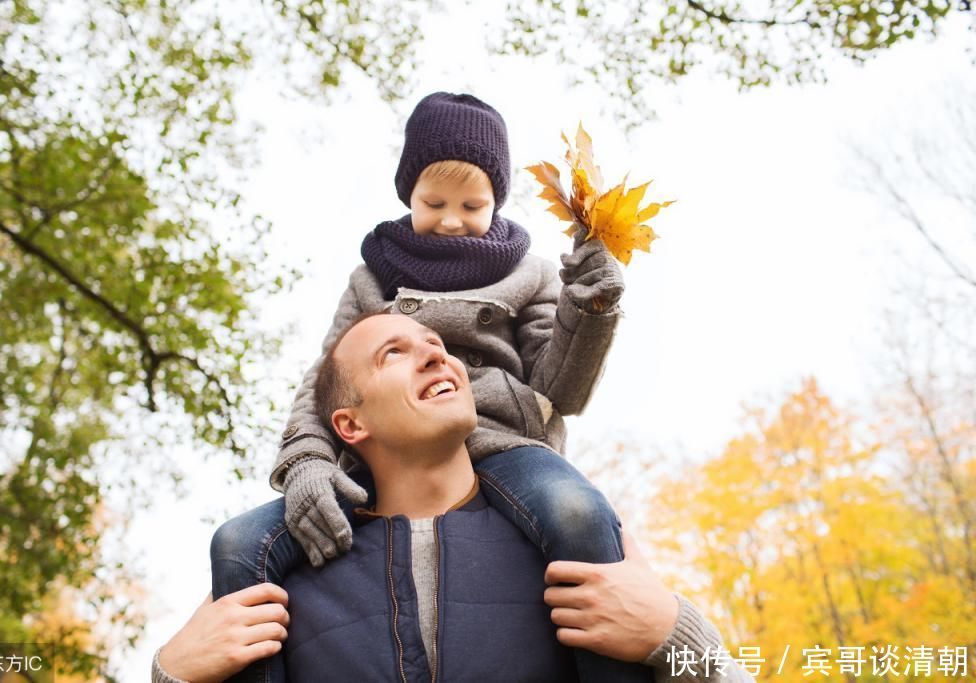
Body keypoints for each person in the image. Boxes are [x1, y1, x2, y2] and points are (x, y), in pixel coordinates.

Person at [211, 90, 633, 682]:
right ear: (408, 193)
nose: (452, 219)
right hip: (385, 450)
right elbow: (327, 380)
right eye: (433, 202)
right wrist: (307, 461)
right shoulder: (374, 276)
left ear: (497, 202)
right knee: (237, 543)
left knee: (577, 510)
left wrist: (589, 310)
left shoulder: (529, 272)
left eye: (473, 204)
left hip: (505, 443)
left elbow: (562, 387)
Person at [153, 313, 754, 682]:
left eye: (435, 344)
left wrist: (682, 640)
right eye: (395, 353)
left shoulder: (578, 550)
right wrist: (169, 677)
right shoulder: (279, 587)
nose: (436, 353)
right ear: (350, 425)